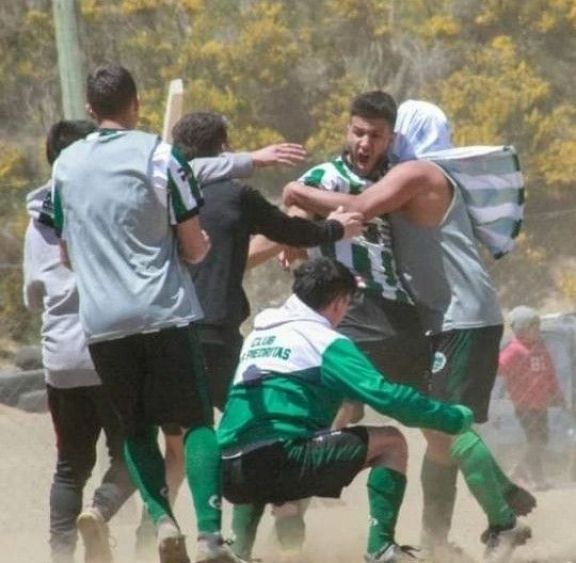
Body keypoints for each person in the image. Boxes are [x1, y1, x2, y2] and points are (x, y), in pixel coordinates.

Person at [283, 90, 535, 563]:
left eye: (382, 135)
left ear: (403, 136)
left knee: (445, 427)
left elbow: (358, 205)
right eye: (360, 132)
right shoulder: (413, 174)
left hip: (462, 319)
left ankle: (503, 519)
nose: (371, 143)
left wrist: (295, 194)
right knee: (441, 436)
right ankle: (443, 538)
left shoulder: (416, 173)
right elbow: (324, 208)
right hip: (445, 320)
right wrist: (294, 228)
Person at [133, 111, 362, 559]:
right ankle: (249, 530)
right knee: (257, 427)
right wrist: (336, 227)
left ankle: (154, 528)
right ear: (224, 146)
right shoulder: (235, 197)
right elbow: (287, 229)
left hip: (162, 334)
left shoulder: (160, 195)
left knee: (174, 440)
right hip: (216, 334)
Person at [51, 64, 243, 563]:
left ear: (91, 112)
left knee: (135, 429)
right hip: (163, 313)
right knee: (197, 422)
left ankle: (161, 521)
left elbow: (65, 254)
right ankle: (208, 536)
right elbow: (194, 245)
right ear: (136, 104)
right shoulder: (161, 155)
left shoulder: (65, 167)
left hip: (102, 322)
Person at [217, 257, 475, 563]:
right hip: (281, 461)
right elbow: (387, 397)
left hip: (227, 470)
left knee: (257, 449)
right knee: (392, 441)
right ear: (339, 302)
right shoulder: (325, 340)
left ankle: (239, 552)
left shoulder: (258, 337)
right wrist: (451, 417)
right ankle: (381, 548)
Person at [23, 120, 135, 563]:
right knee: (132, 453)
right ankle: (100, 510)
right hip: (109, 350)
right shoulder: (105, 204)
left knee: (70, 466)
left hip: (61, 359)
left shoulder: (36, 222)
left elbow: (33, 298)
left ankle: (60, 554)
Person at [499, 306, 565, 489]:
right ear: (520, 330)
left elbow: (550, 372)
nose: (538, 330)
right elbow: (499, 367)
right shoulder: (515, 350)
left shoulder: (540, 347)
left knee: (540, 440)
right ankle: (536, 478)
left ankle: (519, 472)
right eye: (533, 327)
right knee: (535, 440)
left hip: (541, 403)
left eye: (538, 326)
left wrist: (556, 392)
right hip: (525, 404)